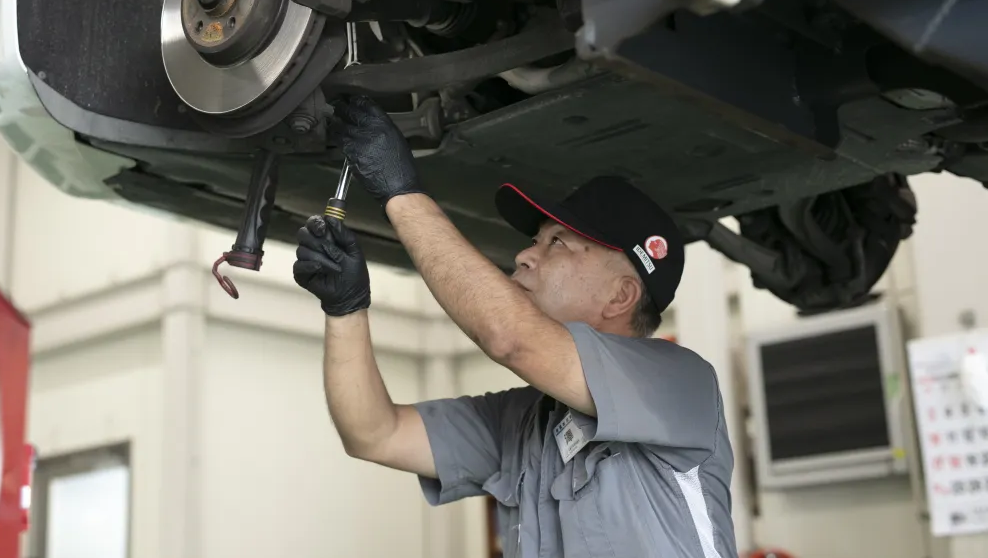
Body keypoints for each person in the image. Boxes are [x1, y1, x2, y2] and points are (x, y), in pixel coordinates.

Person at [293, 95, 737, 558]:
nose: (525, 255)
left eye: (558, 243)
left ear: (620, 296)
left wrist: (403, 197)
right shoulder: (527, 423)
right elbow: (375, 433)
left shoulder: (679, 383)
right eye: (534, 240)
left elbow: (511, 340)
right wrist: (345, 309)